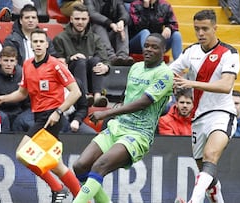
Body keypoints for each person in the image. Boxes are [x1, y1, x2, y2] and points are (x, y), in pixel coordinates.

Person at [72, 33, 173, 203]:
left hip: (138, 134)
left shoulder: (165, 74)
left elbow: (143, 103)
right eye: (147, 45)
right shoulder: (136, 67)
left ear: (163, 50)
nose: (148, 49)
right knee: (80, 166)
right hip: (117, 127)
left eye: (154, 47)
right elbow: (127, 98)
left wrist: (105, 112)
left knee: (99, 166)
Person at [0, 29, 82, 202]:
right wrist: (2, 99)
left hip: (51, 118)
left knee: (22, 154)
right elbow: (22, 93)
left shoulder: (56, 64)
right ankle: (83, 199)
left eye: (42, 41)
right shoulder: (27, 65)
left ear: (47, 44)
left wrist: (58, 111)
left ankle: (57, 188)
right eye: (35, 42)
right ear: (31, 44)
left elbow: (76, 92)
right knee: (57, 166)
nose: (38, 45)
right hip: (38, 116)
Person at [170, 9, 240, 203]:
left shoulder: (229, 53)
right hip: (198, 118)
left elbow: (226, 86)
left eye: (204, 29)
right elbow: (169, 74)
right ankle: (216, 195)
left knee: (210, 156)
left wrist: (191, 83)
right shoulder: (190, 52)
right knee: (206, 173)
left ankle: (195, 200)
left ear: (215, 28)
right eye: (196, 29)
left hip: (222, 113)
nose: (200, 33)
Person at [53, 4, 110, 107]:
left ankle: (98, 97)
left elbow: (105, 59)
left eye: (83, 19)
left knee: (96, 61)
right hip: (71, 78)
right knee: (80, 60)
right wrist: (70, 58)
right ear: (71, 19)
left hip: (90, 76)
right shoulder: (60, 38)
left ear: (88, 19)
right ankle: (85, 95)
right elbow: (55, 62)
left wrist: (105, 67)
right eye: (77, 19)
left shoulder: (95, 38)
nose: (80, 22)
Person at [0, 46, 33, 132]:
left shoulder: (22, 76)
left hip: (19, 113)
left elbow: (28, 101)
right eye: (5, 60)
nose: (8, 64)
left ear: (16, 62)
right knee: (3, 118)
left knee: (24, 121)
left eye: (12, 61)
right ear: (0, 61)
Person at [84, 0, 134, 66]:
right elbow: (92, 14)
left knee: (122, 25)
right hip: (94, 36)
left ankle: (123, 56)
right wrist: (110, 23)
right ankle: (111, 57)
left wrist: (122, 21)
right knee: (98, 26)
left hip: (111, 33)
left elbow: (124, 13)